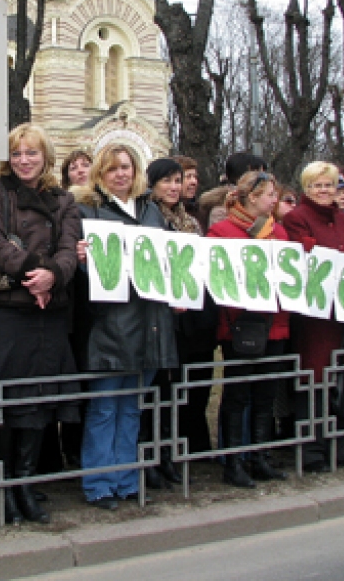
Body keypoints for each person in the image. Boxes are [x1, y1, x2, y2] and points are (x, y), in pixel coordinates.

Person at [0, 124, 81, 525]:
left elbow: (70, 248)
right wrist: (35, 273)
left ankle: (25, 483)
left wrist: (54, 275)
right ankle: (0, 487)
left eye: (31, 153)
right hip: (9, 310)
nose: (23, 160)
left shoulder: (63, 199)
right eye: (17, 153)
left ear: (45, 156)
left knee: (37, 401)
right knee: (4, 402)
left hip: (48, 314)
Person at [72, 148, 178, 508]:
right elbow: (83, 271)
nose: (120, 175)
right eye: (113, 168)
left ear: (136, 173)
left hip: (150, 322)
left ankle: (127, 477)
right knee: (104, 407)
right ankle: (99, 482)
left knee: (132, 406)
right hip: (108, 325)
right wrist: (82, 259)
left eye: (126, 168)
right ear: (100, 173)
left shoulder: (150, 211)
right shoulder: (88, 210)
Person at [207, 171, 291, 488]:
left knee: (265, 395)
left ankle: (259, 456)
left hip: (275, 324)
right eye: (270, 194)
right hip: (241, 325)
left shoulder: (279, 233)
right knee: (238, 394)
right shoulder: (222, 231)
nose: (274, 200)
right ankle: (233, 461)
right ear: (252, 197)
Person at [282, 162, 344, 470]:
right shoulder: (297, 218)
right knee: (315, 382)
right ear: (307, 189)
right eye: (318, 185)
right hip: (314, 316)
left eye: (329, 185)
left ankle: (338, 444)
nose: (325, 191)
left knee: (340, 380)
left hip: (342, 313)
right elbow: (302, 254)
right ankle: (313, 449)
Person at [145, 157, 202, 489]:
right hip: (156, 315)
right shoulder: (148, 218)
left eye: (177, 181)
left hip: (184, 317)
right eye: (166, 181)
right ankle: (149, 456)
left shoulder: (189, 222)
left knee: (174, 391)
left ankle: (168, 453)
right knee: (154, 390)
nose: (173, 187)